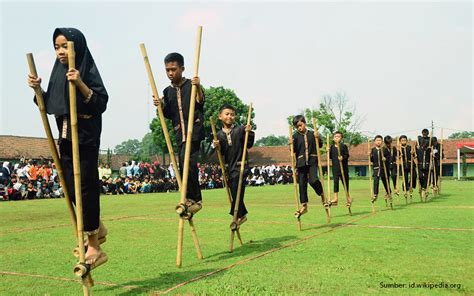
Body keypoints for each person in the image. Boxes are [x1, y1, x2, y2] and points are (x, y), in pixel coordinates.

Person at [27, 28, 108, 265]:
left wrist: (80, 83)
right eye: (57, 47)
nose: (61, 52)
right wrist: (38, 90)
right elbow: (50, 103)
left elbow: (100, 102)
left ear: (77, 47)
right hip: (65, 138)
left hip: (85, 138)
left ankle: (93, 244)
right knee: (70, 187)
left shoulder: (87, 70)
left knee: (85, 188)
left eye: (65, 46)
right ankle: (98, 227)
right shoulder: (57, 74)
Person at [153, 52, 205, 218]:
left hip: (194, 131)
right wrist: (160, 105)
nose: (170, 73)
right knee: (182, 165)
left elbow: (200, 102)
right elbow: (168, 113)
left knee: (188, 163)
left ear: (182, 69)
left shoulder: (192, 85)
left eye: (173, 69)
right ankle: (188, 200)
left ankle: (195, 199)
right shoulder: (167, 91)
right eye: (167, 70)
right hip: (179, 132)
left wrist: (199, 87)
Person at [213, 104, 254, 227]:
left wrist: (249, 132)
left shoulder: (241, 130)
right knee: (235, 192)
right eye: (227, 114)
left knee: (237, 189)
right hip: (230, 168)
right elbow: (223, 153)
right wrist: (218, 147)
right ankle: (240, 214)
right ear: (220, 116)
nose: (230, 116)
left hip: (241, 165)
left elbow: (249, 144)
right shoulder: (218, 135)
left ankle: (239, 214)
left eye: (232, 114)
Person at [291, 115, 327, 217]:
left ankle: (322, 195)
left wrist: (318, 137)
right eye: (297, 126)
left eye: (300, 125)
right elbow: (293, 151)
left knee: (313, 180)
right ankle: (304, 205)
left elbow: (319, 145)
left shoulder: (312, 134)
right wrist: (290, 145)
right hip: (301, 162)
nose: (299, 128)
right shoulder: (295, 136)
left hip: (312, 161)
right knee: (302, 184)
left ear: (304, 123)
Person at [329, 131, 351, 207]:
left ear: (341, 138)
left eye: (338, 136)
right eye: (335, 136)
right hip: (335, 168)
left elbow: (347, 155)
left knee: (345, 183)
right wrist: (327, 151)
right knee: (335, 183)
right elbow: (330, 157)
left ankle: (348, 198)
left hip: (343, 168)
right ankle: (335, 198)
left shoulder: (343, 146)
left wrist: (342, 157)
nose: (336, 138)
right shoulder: (331, 147)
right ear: (333, 138)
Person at [370, 135, 392, 204]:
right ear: (374, 142)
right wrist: (370, 156)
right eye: (377, 140)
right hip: (376, 168)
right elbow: (372, 160)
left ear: (382, 141)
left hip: (384, 169)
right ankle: (375, 194)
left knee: (386, 183)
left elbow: (389, 158)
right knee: (376, 181)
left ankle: (389, 193)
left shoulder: (385, 149)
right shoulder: (373, 150)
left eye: (380, 140)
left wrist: (385, 159)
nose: (378, 142)